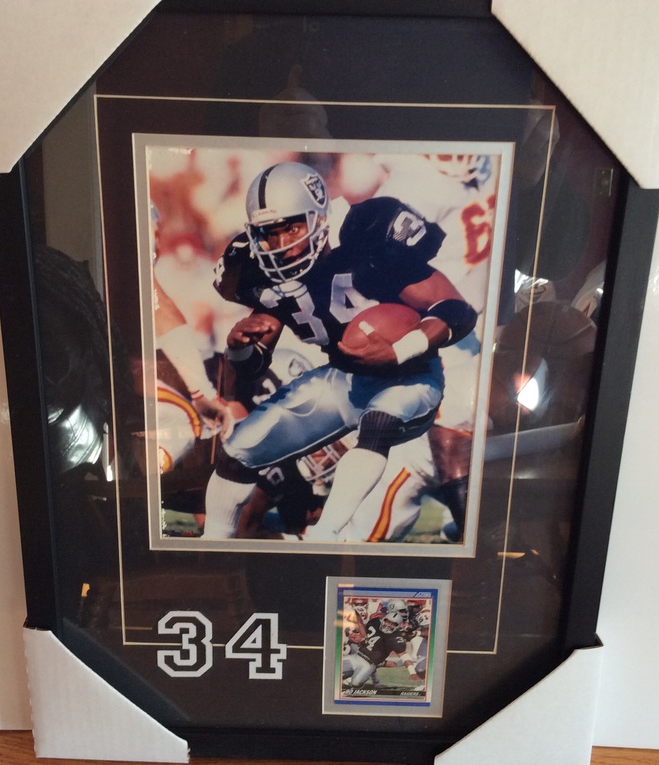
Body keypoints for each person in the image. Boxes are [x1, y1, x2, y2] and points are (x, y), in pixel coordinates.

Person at [203, 161, 477, 541]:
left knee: (379, 424)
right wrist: (238, 348)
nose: (281, 245)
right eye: (269, 233)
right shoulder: (260, 272)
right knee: (238, 450)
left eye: (292, 228)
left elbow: (456, 310)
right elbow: (253, 365)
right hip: (342, 378)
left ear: (319, 215)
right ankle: (213, 543)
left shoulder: (370, 236)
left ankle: (325, 535)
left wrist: (400, 351)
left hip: (410, 376)